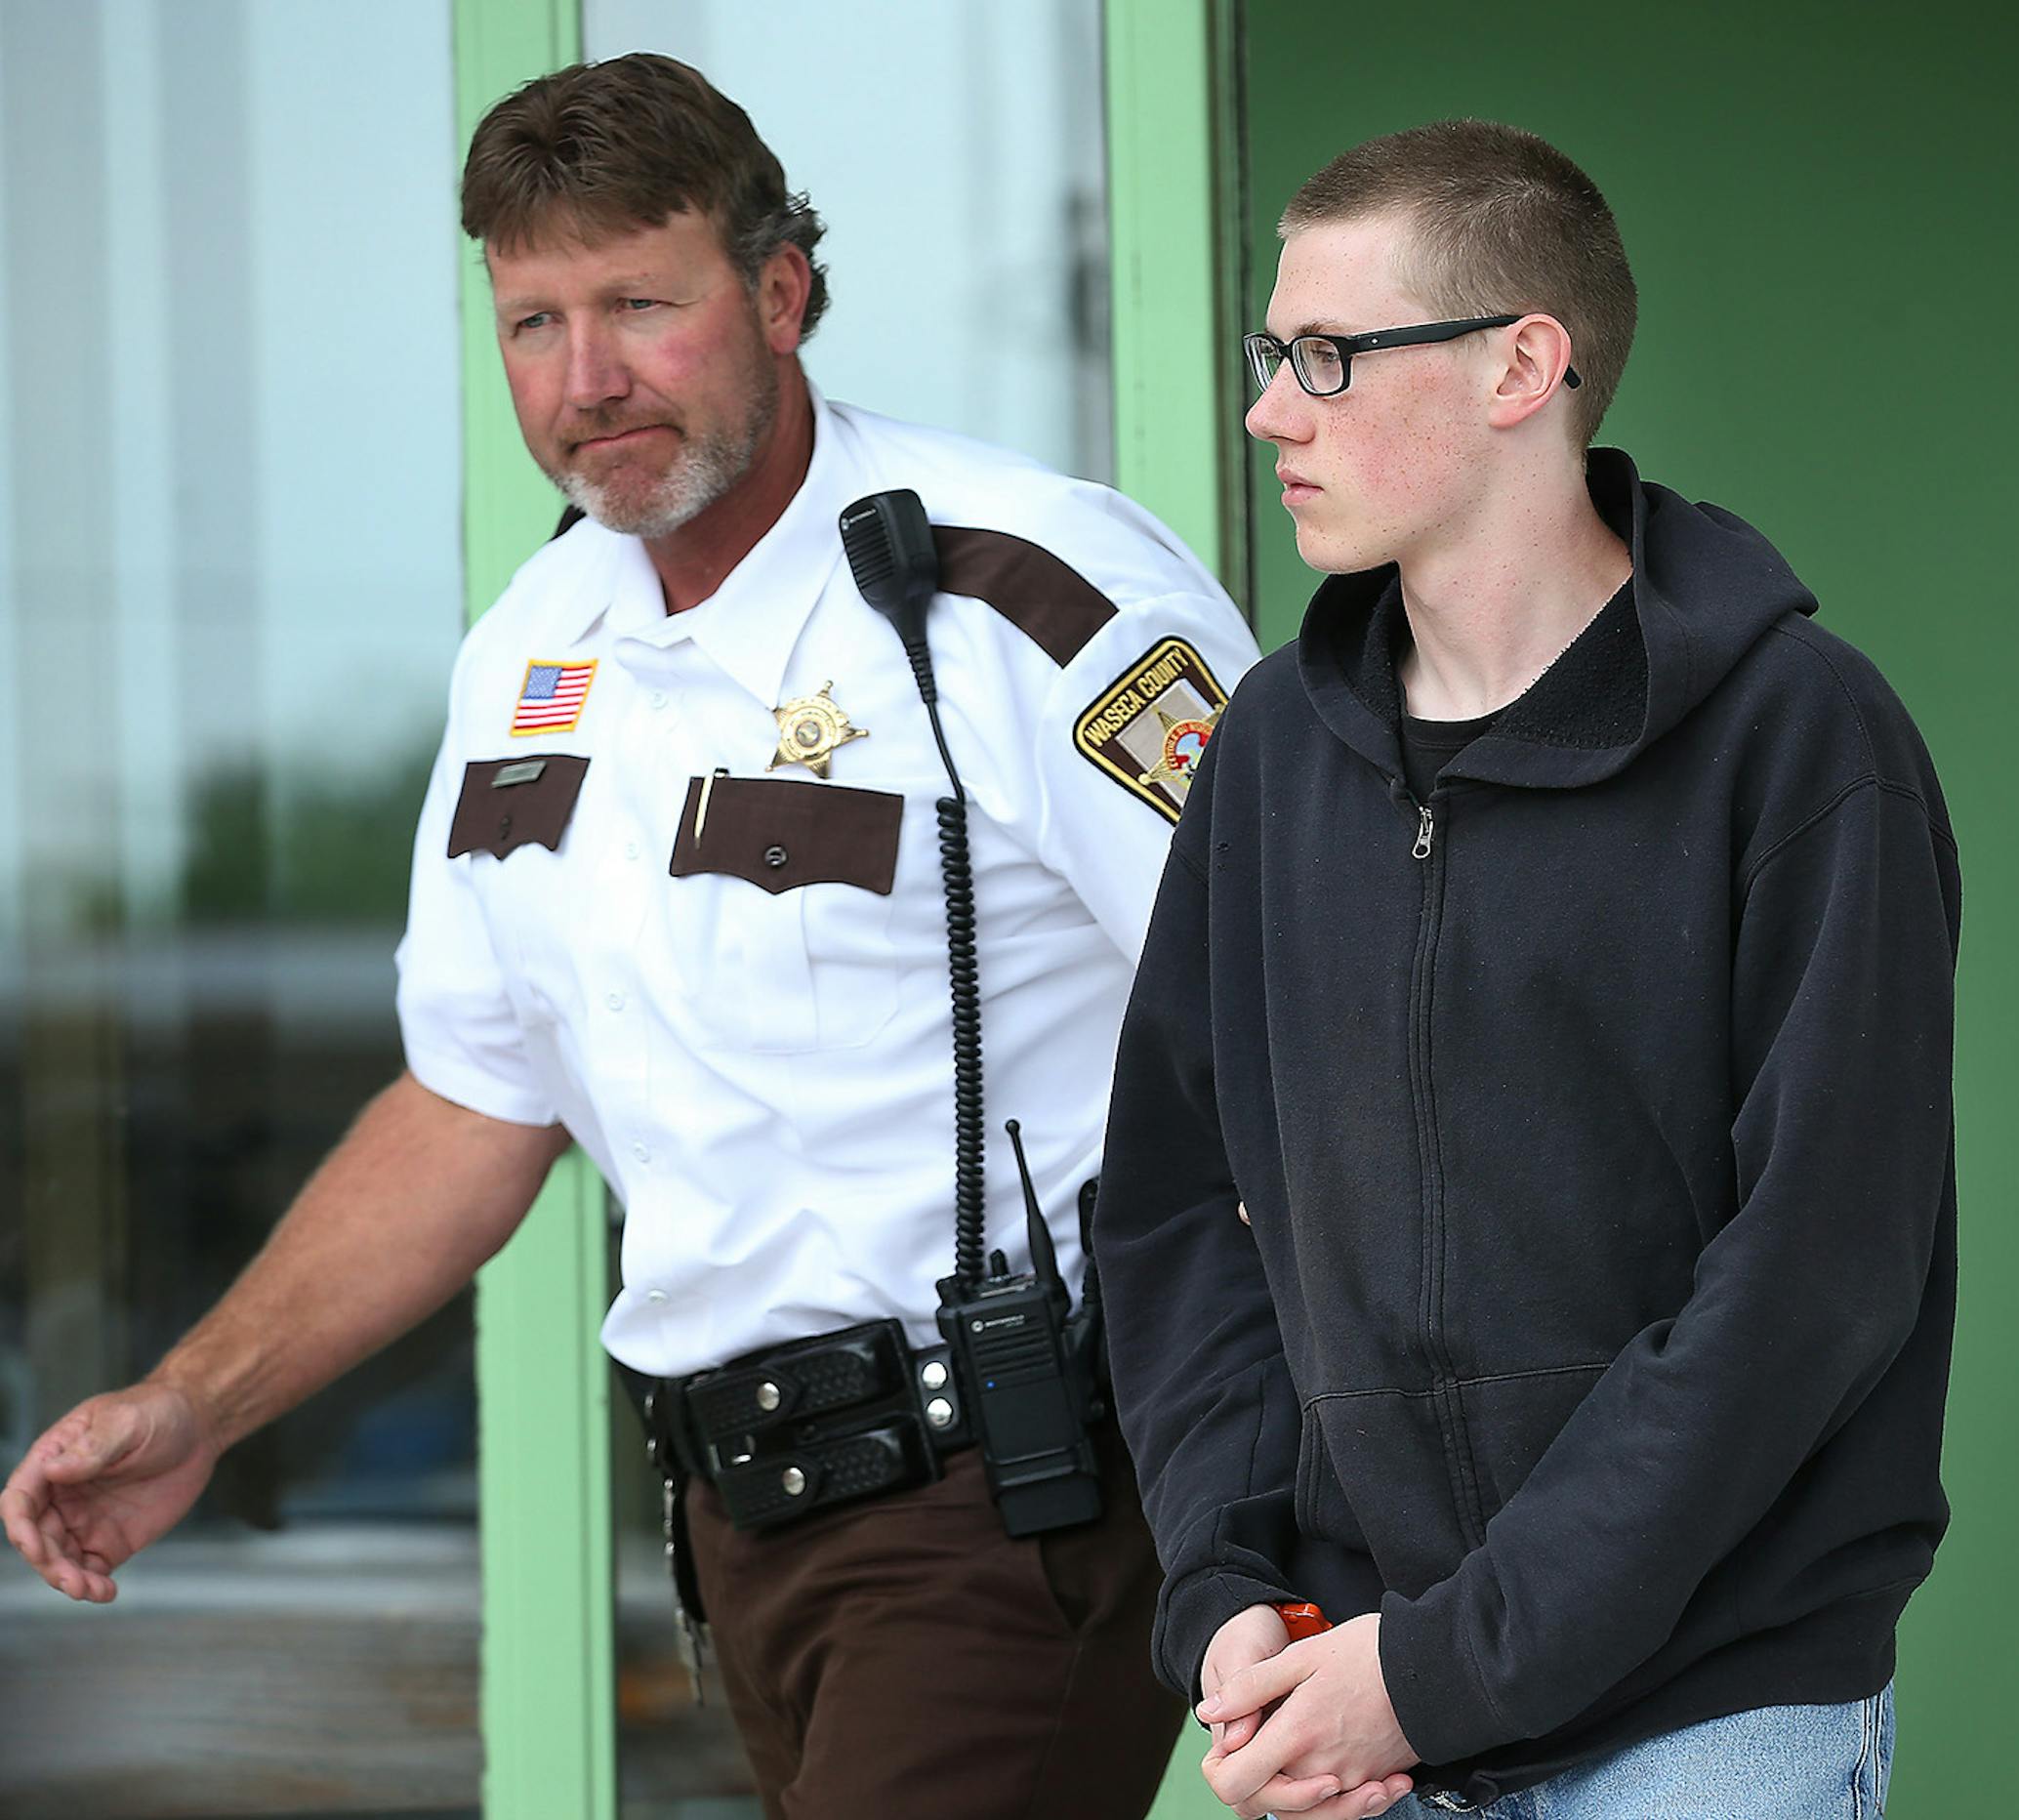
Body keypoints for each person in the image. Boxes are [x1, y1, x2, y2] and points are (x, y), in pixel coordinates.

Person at [2, 53, 1257, 1820]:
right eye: (534, 323)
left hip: (1015, 1490)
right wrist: (198, 1401)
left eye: (641, 306)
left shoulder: (1020, 589)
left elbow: (1307, 1008)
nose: (585, 379)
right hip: (736, 1528)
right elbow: (473, 1101)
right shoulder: (533, 645)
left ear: (781, 293)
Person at [1094, 120, 1957, 1820]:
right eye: (1274, 356)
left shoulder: (1800, 739)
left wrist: (1437, 1672)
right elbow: (1179, 1208)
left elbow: (1814, 1274)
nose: (1273, 413)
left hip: (1708, 1717)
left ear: (1521, 366)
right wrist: (1230, 1590)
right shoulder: (1272, 751)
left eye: (1330, 356)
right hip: (1353, 1690)